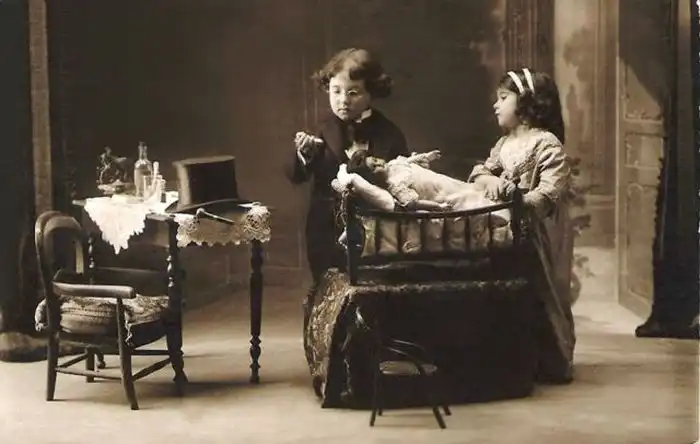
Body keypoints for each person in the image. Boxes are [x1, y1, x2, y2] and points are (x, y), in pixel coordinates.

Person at [285, 48, 409, 329]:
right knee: (327, 290)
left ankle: (372, 343)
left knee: (371, 294)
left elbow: (403, 178)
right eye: (336, 91)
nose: (343, 100)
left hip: (374, 227)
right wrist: (304, 155)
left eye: (353, 92)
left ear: (371, 92)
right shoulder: (320, 129)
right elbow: (295, 175)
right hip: (325, 227)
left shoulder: (389, 133)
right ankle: (330, 347)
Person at [467, 67, 576, 383]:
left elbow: (549, 192)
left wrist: (517, 197)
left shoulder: (546, 144)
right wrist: (489, 180)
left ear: (527, 102)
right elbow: (479, 173)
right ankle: (510, 358)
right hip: (503, 227)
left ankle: (551, 359)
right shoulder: (503, 144)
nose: (496, 105)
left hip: (535, 230)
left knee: (541, 292)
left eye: (503, 98)